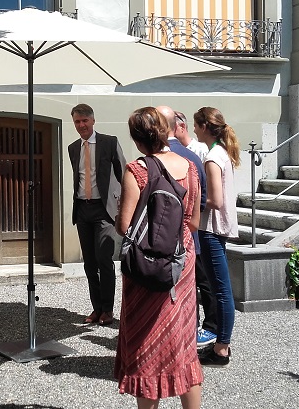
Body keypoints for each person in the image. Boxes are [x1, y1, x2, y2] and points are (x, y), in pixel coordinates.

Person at [115, 107, 202, 408]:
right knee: (183, 340)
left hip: (146, 263)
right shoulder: (190, 167)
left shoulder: (137, 170)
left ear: (137, 140)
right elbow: (194, 222)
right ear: (166, 132)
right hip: (181, 259)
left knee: (146, 341)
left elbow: (124, 226)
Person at [156, 106, 218, 349]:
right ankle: (191, 332)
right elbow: (201, 201)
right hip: (190, 233)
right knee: (191, 286)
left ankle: (174, 335)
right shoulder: (192, 157)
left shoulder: (154, 159)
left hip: (163, 238)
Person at [67, 103, 126, 326]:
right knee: (89, 263)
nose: (81, 125)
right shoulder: (73, 148)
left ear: (93, 120)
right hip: (83, 208)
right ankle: (97, 307)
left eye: (85, 121)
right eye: (77, 122)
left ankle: (108, 309)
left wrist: (123, 207)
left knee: (104, 259)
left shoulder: (109, 142)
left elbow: (123, 175)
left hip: (104, 209)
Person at [192, 106, 240, 367]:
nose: (194, 130)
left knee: (221, 291)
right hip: (217, 229)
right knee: (221, 289)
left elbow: (215, 200)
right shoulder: (222, 152)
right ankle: (222, 344)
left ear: (204, 127)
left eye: (196, 125)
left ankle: (221, 348)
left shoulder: (212, 157)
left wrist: (191, 201)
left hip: (211, 229)